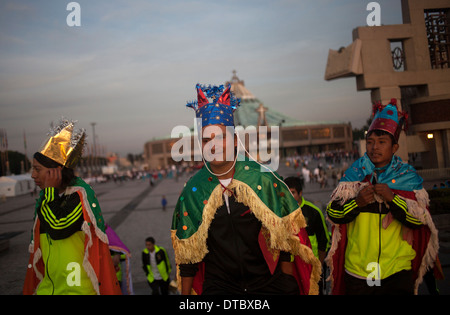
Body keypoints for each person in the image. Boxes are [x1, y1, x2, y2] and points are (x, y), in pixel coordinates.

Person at [171, 84, 321, 295]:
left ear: (234, 140)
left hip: (268, 284)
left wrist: (287, 283)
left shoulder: (263, 178)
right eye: (206, 139)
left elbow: (286, 239)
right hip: (220, 288)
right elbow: (188, 257)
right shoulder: (194, 190)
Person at [325, 99, 442, 295]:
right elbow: (333, 214)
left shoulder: (408, 176)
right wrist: (357, 203)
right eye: (370, 142)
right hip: (359, 271)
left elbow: (419, 221)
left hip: (397, 270)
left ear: (394, 147)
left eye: (381, 142)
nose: (374, 148)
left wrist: (392, 199)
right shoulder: (354, 176)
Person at [23, 118, 121, 295]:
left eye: (37, 169)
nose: (32, 175)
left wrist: (50, 192)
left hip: (77, 288)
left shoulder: (79, 194)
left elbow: (58, 227)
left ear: (55, 171)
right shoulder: (45, 197)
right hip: (50, 289)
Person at [284, 176, 330, 264]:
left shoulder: (314, 212)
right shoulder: (280, 212)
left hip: (310, 262)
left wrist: (319, 265)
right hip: (290, 263)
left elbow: (323, 241)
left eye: (292, 193)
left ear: (300, 193)